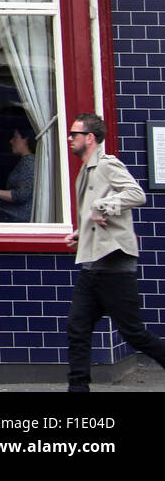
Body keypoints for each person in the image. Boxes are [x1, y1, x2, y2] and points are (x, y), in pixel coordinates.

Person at [64, 112, 165, 391]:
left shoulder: (107, 164)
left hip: (114, 266)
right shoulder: (86, 170)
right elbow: (95, 218)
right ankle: (78, 388)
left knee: (134, 333)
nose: (69, 138)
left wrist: (103, 206)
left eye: (74, 134)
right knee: (77, 327)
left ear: (90, 138)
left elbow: (136, 194)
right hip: (92, 265)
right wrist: (82, 232)